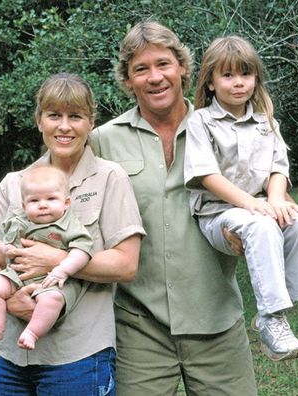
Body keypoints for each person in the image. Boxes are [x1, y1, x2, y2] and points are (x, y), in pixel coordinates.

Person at [89, 22, 257, 395]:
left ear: (182, 67)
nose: (155, 77)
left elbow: (272, 184)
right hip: (138, 329)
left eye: (163, 64)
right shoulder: (104, 140)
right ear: (127, 80)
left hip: (217, 322)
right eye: (141, 69)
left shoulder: (225, 129)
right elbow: (48, 183)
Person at [0, 72, 145, 395]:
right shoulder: (15, 183)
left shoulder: (109, 178)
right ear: (39, 121)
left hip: (78, 355)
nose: (64, 126)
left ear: (91, 122)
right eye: (54, 116)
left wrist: (56, 259)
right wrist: (2, 287)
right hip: (14, 357)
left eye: (75, 116)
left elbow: (126, 265)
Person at [184, 35, 298, 362]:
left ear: (255, 78)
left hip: (259, 206)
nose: (238, 83)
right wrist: (251, 203)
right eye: (228, 76)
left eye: (245, 74)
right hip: (219, 215)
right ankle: (271, 318)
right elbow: (207, 175)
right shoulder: (201, 121)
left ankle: (281, 306)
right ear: (212, 83)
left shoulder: (265, 123)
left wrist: (276, 199)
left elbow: (278, 168)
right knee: (262, 226)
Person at [0, 165, 94, 351]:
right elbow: (2, 241)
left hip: (52, 280)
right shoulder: (18, 221)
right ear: (24, 205)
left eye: (51, 199)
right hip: (17, 274)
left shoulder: (70, 225)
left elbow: (82, 251)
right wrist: (6, 248)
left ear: (66, 202)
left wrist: (62, 269)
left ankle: (32, 333)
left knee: (52, 299)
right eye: (34, 200)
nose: (43, 205)